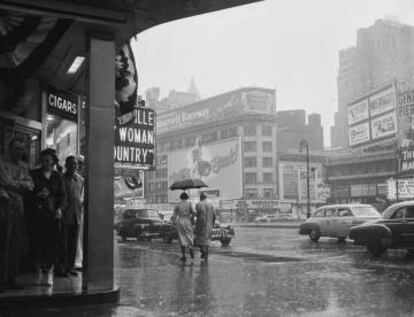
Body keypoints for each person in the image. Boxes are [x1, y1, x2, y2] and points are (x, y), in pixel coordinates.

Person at [0, 138, 34, 292]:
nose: (20, 152)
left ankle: (11, 278)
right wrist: (20, 184)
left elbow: (31, 185)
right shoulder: (2, 164)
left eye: (22, 149)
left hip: (18, 209)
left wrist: (15, 184)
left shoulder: (24, 166)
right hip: (4, 208)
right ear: (9, 149)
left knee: (15, 244)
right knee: (3, 244)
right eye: (17, 149)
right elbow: (5, 181)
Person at [29, 149, 66, 286]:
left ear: (53, 162)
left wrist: (59, 209)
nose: (45, 163)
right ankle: (38, 271)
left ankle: (50, 272)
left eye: (48, 161)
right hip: (38, 214)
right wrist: (37, 195)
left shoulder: (58, 176)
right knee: (38, 244)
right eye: (43, 160)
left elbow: (62, 196)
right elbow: (27, 193)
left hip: (53, 214)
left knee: (53, 244)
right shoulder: (34, 174)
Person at [61, 156, 84, 276]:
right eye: (70, 164)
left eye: (75, 164)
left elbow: (79, 196)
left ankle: (70, 267)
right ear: (66, 165)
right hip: (65, 215)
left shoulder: (80, 180)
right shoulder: (62, 178)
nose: (73, 166)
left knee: (73, 243)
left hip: (77, 215)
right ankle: (62, 267)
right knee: (63, 243)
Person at [171, 192, 195, 262]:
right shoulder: (189, 203)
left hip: (180, 222)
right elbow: (194, 213)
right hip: (188, 221)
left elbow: (174, 216)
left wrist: (172, 225)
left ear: (180, 197)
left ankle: (184, 255)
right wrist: (191, 216)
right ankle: (191, 248)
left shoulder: (177, 205)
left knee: (182, 238)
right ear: (187, 197)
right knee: (189, 236)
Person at [194, 193, 216, 261]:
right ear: (206, 197)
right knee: (207, 239)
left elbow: (196, 214)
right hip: (209, 225)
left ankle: (203, 252)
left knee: (200, 240)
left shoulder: (198, 204)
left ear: (200, 197)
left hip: (201, 224)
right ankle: (205, 253)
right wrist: (213, 223)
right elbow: (214, 215)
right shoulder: (211, 204)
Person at [74, 154, 84, 270]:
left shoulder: (82, 179)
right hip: (75, 211)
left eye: (80, 164)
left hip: (80, 211)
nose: (79, 166)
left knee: (80, 237)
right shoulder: (77, 178)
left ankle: (78, 259)